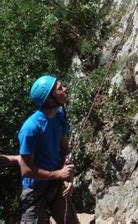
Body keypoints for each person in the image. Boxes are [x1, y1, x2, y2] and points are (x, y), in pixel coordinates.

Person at [18, 75, 79, 224]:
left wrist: (67, 177)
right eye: (59, 88)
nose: (65, 89)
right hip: (34, 189)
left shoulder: (59, 115)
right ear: (49, 99)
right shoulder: (31, 128)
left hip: (56, 183)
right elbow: (26, 170)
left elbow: (65, 148)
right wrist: (59, 174)